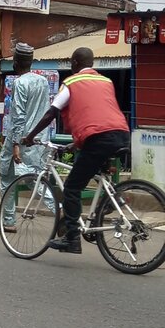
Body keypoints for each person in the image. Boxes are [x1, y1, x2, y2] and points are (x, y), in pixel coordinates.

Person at [23, 46, 129, 254]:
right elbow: (98, 114)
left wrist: (30, 136)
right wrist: (76, 143)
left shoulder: (72, 82)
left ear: (74, 63)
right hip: (120, 134)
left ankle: (72, 239)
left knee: (72, 188)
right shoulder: (106, 81)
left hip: (98, 138)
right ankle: (113, 200)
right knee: (99, 173)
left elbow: (51, 113)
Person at [0, 42, 51, 233]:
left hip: (20, 138)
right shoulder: (43, 82)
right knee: (30, 177)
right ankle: (59, 209)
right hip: (38, 137)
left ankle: (9, 220)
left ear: (16, 62)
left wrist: (15, 144)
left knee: (15, 178)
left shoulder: (20, 83)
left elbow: (18, 115)